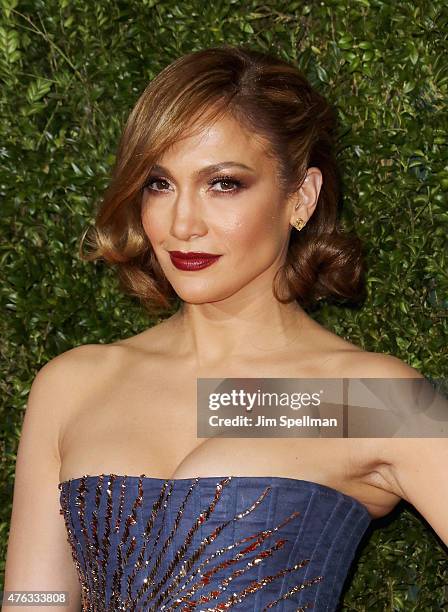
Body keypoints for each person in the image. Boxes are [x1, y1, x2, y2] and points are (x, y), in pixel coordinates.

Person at [3, 44, 447, 612]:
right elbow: (32, 599)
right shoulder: (75, 384)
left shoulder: (365, 400)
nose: (182, 222)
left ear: (300, 197)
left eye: (223, 184)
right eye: (159, 184)